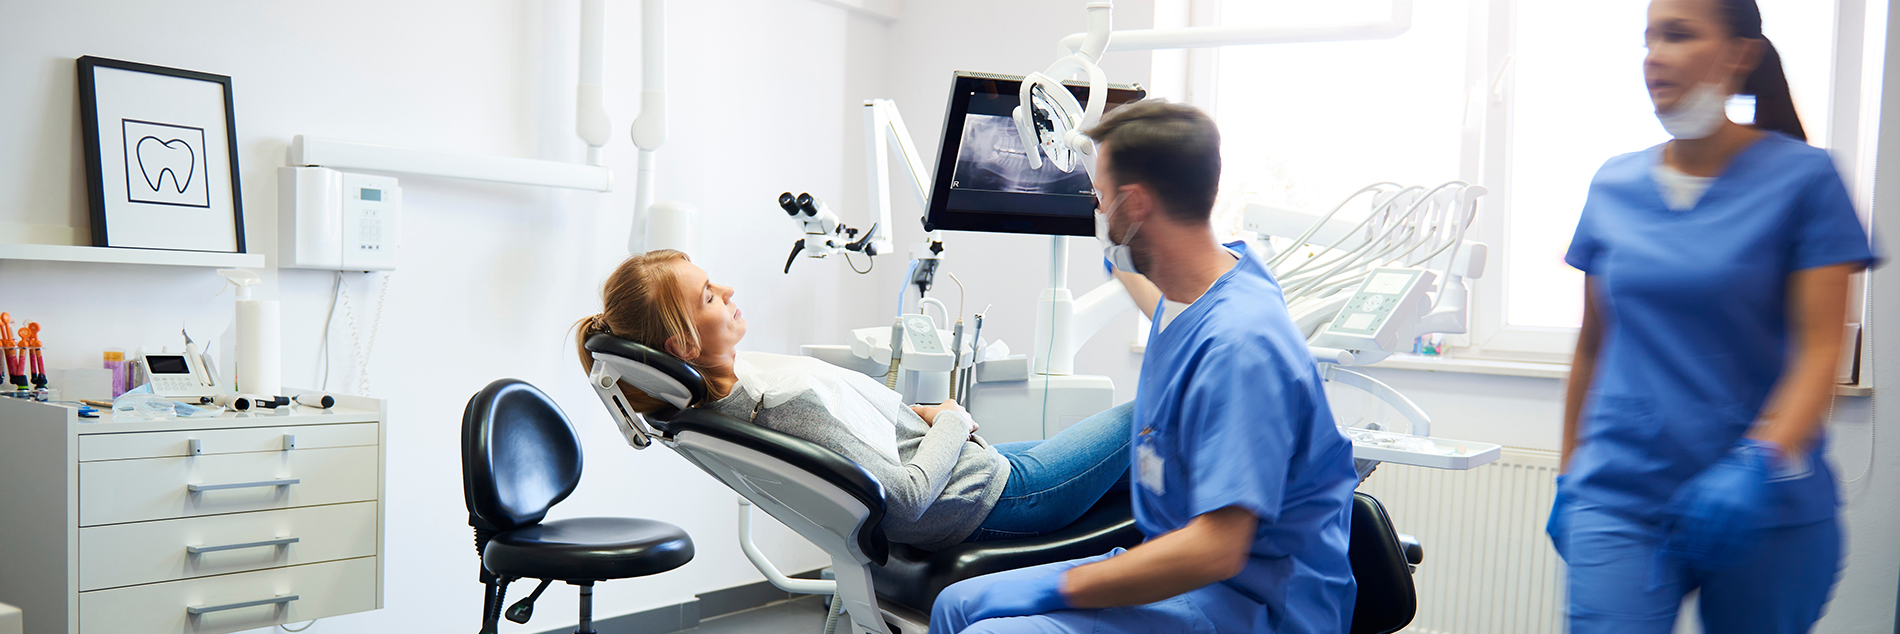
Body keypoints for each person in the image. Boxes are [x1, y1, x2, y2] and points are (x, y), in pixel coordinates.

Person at [930, 101, 1360, 633]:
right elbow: (1157, 300)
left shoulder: (1241, 348)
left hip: (1251, 604)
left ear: (1134, 206)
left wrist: (1064, 587)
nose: (1098, 209)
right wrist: (1112, 250)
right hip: (1189, 581)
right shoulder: (1208, 283)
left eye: (1102, 198)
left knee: (991, 631)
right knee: (955, 603)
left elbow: (1216, 551)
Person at [1547, 1, 1882, 632]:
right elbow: (1593, 346)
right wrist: (1569, 476)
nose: (1655, 57)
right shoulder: (1612, 184)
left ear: (1740, 54)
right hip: (1619, 496)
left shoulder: (1806, 181)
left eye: (1678, 35)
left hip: (1767, 503)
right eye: (1649, 40)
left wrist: (1758, 461)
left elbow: (1819, 352)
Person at [575, 250, 1133, 551]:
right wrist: (950, 419)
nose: (729, 292)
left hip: (974, 479)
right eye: (709, 296)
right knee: (1148, 417)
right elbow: (908, 497)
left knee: (1148, 473)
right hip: (990, 498)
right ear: (685, 345)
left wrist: (920, 424)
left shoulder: (720, 405)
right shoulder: (776, 405)